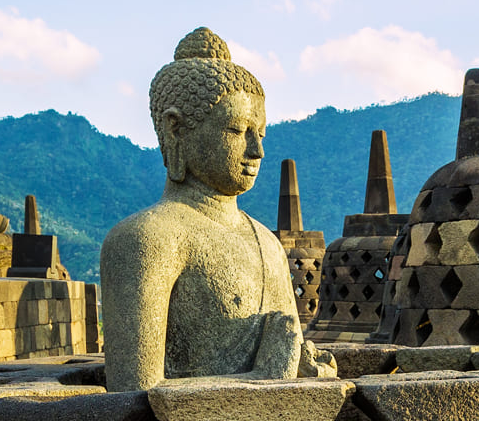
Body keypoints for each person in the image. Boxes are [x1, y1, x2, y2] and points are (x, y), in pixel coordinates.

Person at [101, 27, 333, 392]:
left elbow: (288, 363)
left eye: (261, 133)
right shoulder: (146, 239)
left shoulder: (268, 244)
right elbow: (133, 395)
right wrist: (264, 379)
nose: (257, 151)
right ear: (176, 130)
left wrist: (305, 366)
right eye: (237, 130)